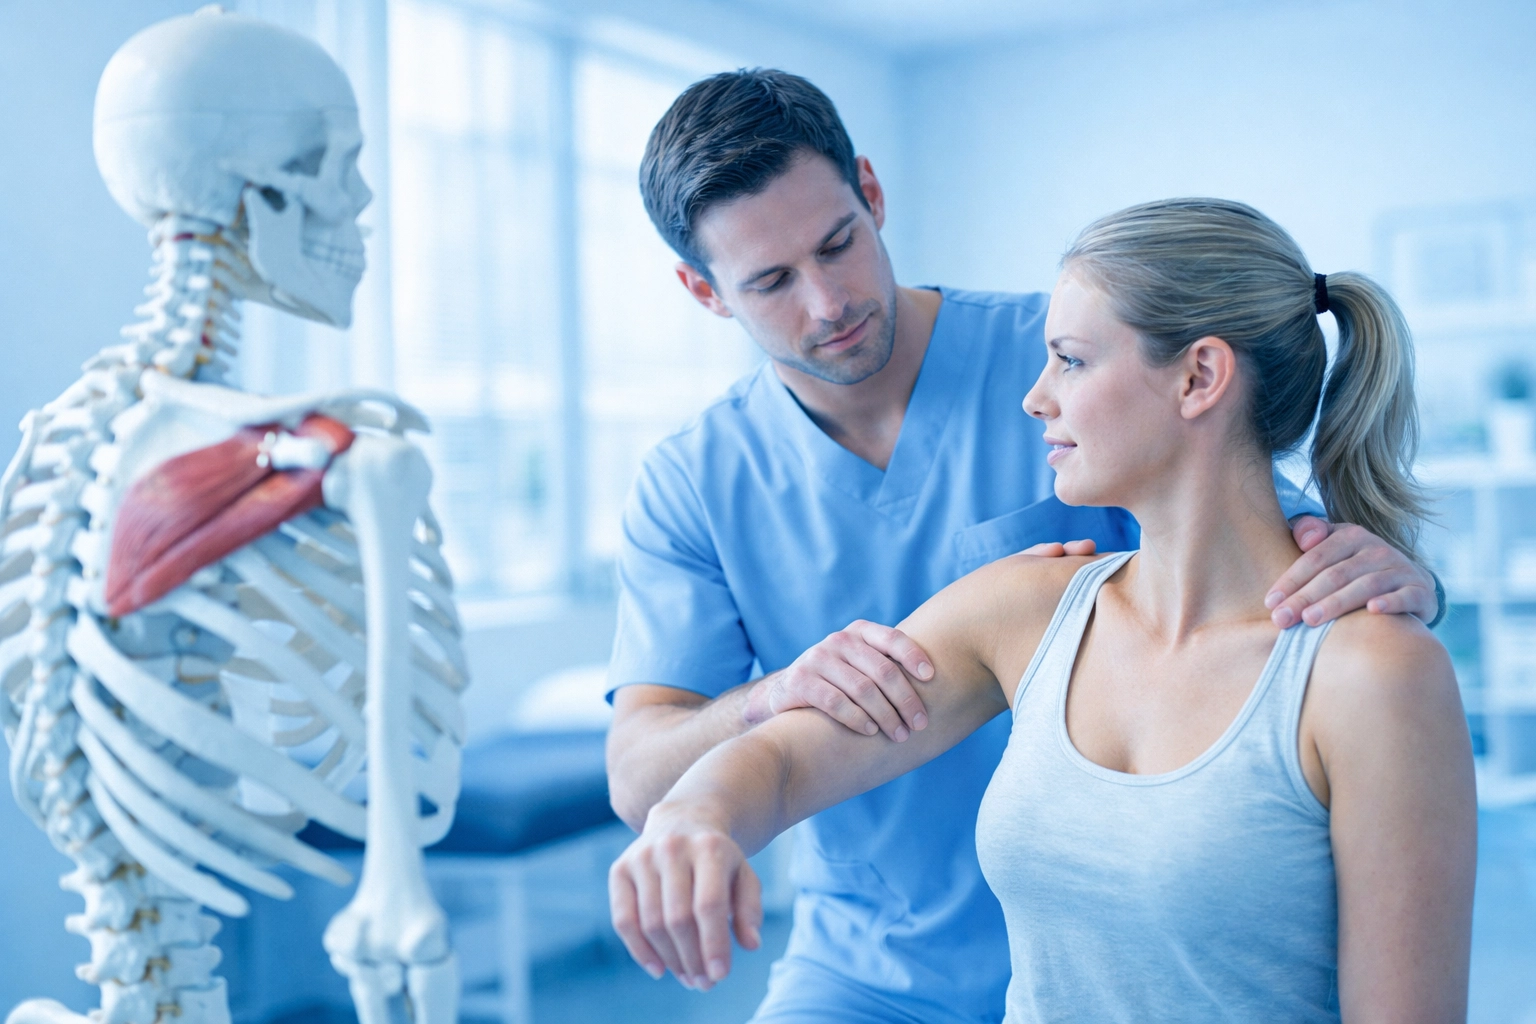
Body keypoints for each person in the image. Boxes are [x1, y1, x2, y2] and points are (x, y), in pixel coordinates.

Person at [605, 71, 1446, 1022]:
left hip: (1140, 931)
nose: (828, 299)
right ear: (703, 291)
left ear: (872, 195)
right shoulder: (718, 488)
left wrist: (1392, 587)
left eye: (839, 243)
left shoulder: (1076, 341)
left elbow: (1261, 544)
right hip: (875, 961)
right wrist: (724, 768)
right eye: (770, 280)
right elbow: (677, 773)